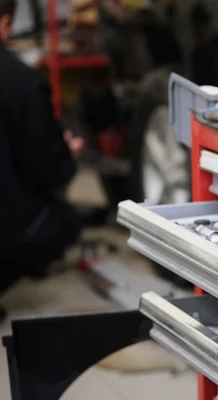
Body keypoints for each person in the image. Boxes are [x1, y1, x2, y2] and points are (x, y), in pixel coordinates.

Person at [0, 0, 84, 318]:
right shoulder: (20, 82)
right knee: (63, 225)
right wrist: (65, 152)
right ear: (5, 24)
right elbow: (48, 169)